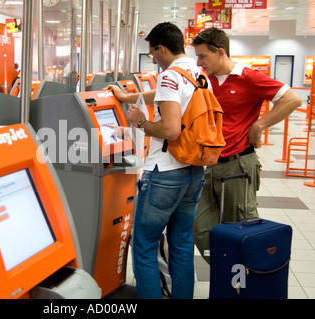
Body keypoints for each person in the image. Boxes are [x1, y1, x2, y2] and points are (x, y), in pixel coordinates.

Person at [106, 22, 205, 299]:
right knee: (182, 245)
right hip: (193, 171)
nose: (154, 59)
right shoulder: (197, 73)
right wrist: (127, 97)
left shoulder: (169, 75)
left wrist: (141, 122)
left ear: (161, 48)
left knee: (145, 247)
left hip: (165, 173)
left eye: (152, 54)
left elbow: (170, 130)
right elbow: (167, 95)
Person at [191, 27, 302, 264]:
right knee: (199, 227)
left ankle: (246, 280)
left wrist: (259, 125)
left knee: (240, 227)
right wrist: (129, 97)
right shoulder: (203, 79)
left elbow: (292, 99)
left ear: (220, 52)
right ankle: (226, 270)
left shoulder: (249, 77)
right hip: (205, 166)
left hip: (236, 165)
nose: (199, 61)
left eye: (202, 56)